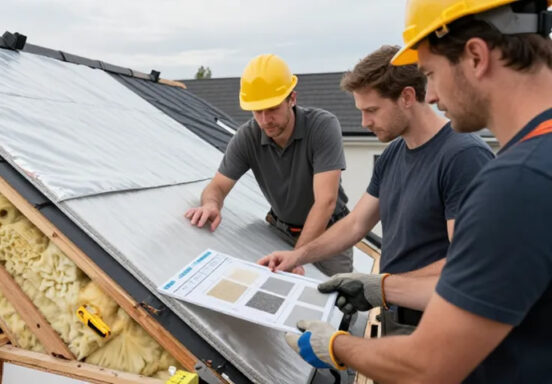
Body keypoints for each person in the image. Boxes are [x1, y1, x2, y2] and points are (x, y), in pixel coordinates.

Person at [290, 1, 552, 382]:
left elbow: (428, 364)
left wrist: (336, 346)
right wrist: (381, 287)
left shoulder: (515, 182)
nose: (431, 96)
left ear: (476, 57)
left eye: (431, 73)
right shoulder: (535, 165)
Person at [257, 45, 493, 335]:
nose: (364, 122)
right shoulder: (393, 154)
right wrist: (297, 256)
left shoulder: (463, 157)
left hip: (441, 323)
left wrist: (381, 287)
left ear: (407, 97)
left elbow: (468, 263)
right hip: (396, 315)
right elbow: (356, 224)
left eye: (372, 110)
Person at [185, 54, 352, 276]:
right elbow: (218, 186)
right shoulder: (248, 136)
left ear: (292, 99)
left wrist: (296, 256)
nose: (264, 120)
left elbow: (326, 201)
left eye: (272, 108)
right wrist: (211, 204)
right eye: (257, 111)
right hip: (280, 231)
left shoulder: (322, 127)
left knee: (338, 293)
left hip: (330, 234)